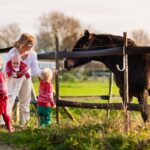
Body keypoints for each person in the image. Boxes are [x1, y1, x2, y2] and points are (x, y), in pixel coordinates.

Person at [6, 33, 42, 126]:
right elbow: (6, 67)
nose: (32, 46)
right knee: (10, 99)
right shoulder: (13, 52)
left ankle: (25, 124)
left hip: (26, 78)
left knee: (25, 101)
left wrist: (47, 73)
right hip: (12, 78)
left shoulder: (33, 54)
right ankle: (5, 123)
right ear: (24, 42)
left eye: (33, 43)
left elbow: (35, 71)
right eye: (30, 43)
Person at [6, 54, 30, 119]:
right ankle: (6, 117)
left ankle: (25, 120)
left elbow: (26, 71)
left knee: (16, 93)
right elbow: (7, 71)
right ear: (11, 62)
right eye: (14, 63)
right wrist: (9, 73)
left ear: (20, 62)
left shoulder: (22, 65)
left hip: (19, 78)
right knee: (11, 97)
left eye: (17, 63)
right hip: (12, 79)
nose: (16, 64)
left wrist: (26, 75)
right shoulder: (9, 65)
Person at [0, 56, 14, 132]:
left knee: (4, 113)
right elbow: (3, 87)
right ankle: (9, 126)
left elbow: (3, 86)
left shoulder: (1, 75)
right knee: (4, 113)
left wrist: (5, 95)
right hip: (2, 97)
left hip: (2, 97)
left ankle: (9, 126)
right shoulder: (1, 75)